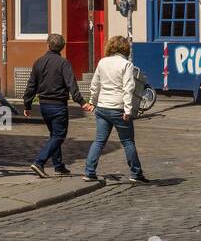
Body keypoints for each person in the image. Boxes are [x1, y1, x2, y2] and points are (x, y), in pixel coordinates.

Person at [23, 34, 90, 177]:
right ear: (62, 48)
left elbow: (31, 86)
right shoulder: (63, 63)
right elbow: (72, 85)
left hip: (44, 106)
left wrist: (27, 105)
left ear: (48, 45)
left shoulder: (38, 62)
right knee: (59, 135)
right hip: (58, 105)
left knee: (54, 134)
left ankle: (58, 165)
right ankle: (39, 162)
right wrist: (82, 102)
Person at [82, 36, 147, 184]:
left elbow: (95, 84)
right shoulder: (126, 64)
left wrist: (92, 102)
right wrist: (128, 110)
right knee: (128, 141)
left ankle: (89, 171)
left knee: (99, 141)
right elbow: (128, 88)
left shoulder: (102, 62)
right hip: (119, 108)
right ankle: (136, 173)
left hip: (103, 107)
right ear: (126, 49)